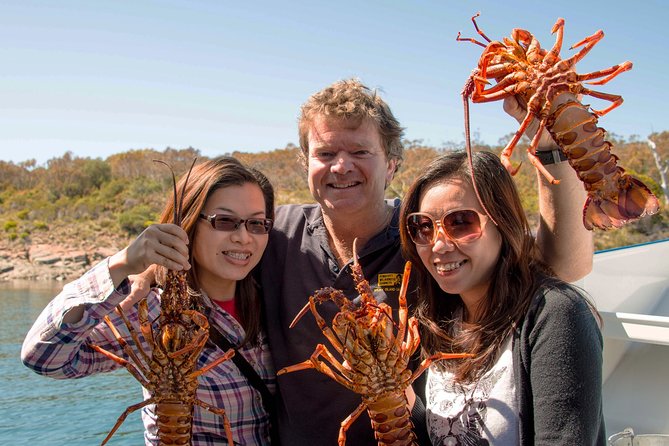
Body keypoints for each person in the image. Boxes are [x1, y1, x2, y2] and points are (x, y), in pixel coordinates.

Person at [259, 79, 594, 445]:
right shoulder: (272, 233)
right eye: (324, 154)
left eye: (359, 151)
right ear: (305, 162)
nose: (341, 167)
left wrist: (551, 147)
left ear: (391, 165)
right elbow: (211, 250)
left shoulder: (425, 233)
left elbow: (558, 267)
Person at [21, 157, 276, 445]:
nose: (243, 237)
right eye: (225, 221)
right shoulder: (149, 310)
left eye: (257, 223)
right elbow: (43, 358)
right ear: (190, 224)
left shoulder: (275, 296)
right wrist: (120, 265)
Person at [399, 150, 605, 445]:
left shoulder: (556, 315)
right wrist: (405, 405)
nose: (439, 244)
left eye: (460, 222)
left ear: (501, 222)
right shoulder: (439, 324)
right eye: (423, 226)